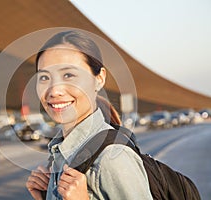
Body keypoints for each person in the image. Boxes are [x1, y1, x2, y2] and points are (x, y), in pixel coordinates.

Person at [26, 30, 153, 200]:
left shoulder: (112, 157)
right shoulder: (61, 152)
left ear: (99, 79)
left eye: (68, 75)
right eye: (44, 77)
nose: (54, 90)